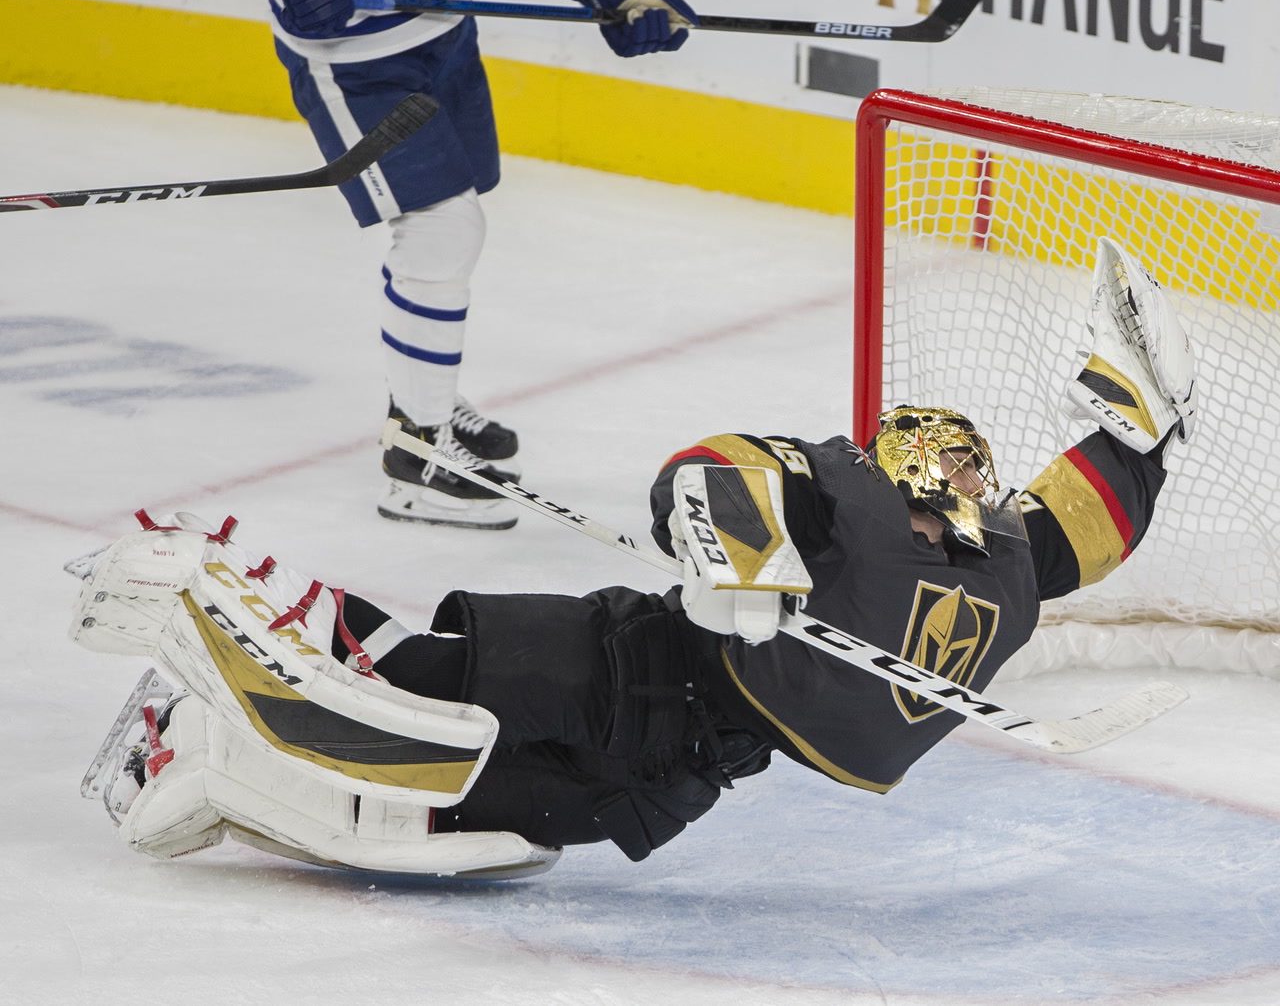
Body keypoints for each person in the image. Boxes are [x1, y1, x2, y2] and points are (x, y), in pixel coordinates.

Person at [70, 237, 1196, 877]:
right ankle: (234, 595)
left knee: (473, 824)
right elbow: (711, 468)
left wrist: (1141, 428)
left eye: (972, 470)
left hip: (680, 772)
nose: (966, 483)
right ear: (898, 463)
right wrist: (741, 563)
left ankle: (231, 772)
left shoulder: (1004, 564)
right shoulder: (836, 493)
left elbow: (1080, 516)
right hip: (635, 661)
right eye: (944, 466)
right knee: (421, 679)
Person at [164, 0, 698, 529]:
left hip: (442, 36)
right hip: (350, 58)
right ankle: (418, 458)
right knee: (442, 228)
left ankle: (424, 407)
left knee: (455, 218)